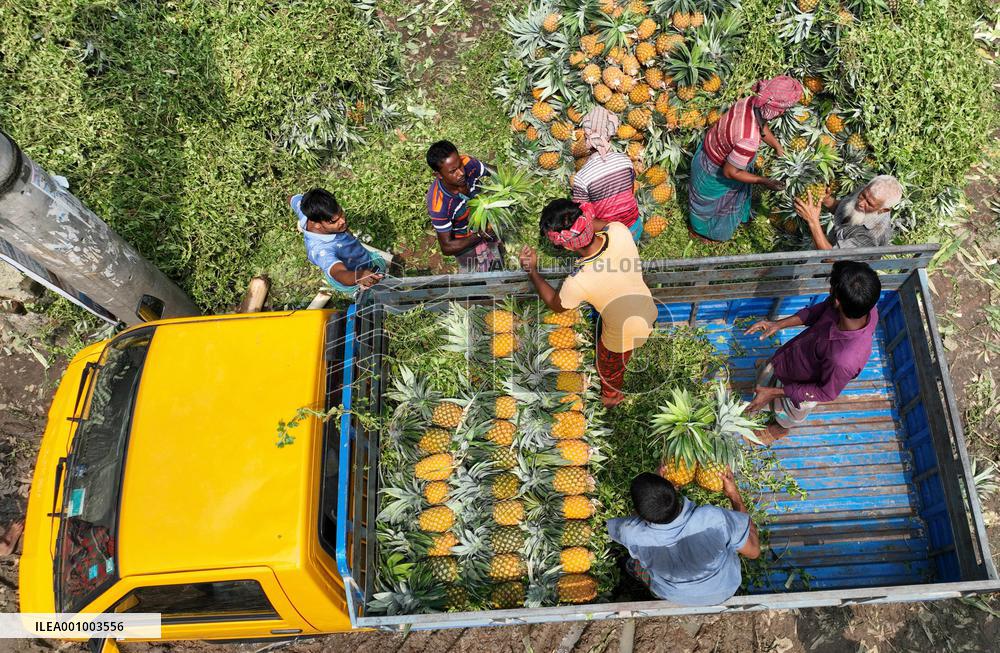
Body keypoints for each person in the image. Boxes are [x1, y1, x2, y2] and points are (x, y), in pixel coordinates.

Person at [518, 199, 657, 408]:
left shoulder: (578, 281)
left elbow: (556, 305)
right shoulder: (619, 232)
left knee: (610, 368)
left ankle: (611, 397)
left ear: (565, 245)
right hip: (647, 308)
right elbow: (603, 224)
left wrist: (533, 271)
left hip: (624, 333)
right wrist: (586, 222)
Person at [745, 260, 881, 443]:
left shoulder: (844, 360)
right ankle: (771, 384)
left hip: (803, 386)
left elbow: (826, 392)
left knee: (788, 413)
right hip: (795, 356)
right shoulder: (859, 306)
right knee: (770, 373)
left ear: (837, 300)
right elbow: (816, 312)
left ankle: (779, 430)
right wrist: (777, 324)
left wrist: (775, 393)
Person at [608, 471, 760, 606]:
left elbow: (614, 527)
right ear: (675, 489)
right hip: (724, 590)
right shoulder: (713, 519)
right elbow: (754, 552)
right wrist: (733, 494)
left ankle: (636, 572)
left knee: (636, 564)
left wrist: (652, 501)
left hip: (674, 595)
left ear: (637, 514)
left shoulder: (630, 532)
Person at [688, 75, 803, 243]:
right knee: (705, 208)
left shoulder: (751, 101)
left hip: (710, 150)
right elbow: (730, 172)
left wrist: (777, 146)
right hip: (715, 171)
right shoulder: (748, 140)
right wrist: (763, 181)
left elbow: (761, 124)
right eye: (782, 110)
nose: (783, 113)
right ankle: (701, 231)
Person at [425, 140, 504, 273]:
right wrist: (479, 235)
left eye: (460, 165)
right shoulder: (439, 204)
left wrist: (507, 183)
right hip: (464, 242)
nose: (461, 173)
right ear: (438, 175)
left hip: (486, 225)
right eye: (453, 171)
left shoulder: (467, 163)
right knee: (471, 270)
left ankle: (497, 275)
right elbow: (447, 247)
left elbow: (493, 171)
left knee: (495, 258)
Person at [290, 188, 385, 293]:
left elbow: (293, 199)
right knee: (372, 292)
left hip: (360, 257)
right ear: (316, 224)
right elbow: (339, 273)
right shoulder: (320, 250)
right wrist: (359, 276)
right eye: (334, 221)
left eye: (341, 213)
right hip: (352, 277)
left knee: (377, 269)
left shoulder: (306, 209)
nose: (343, 221)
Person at [571, 106, 643, 242]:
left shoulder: (582, 177)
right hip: (635, 229)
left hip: (608, 237)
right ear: (612, 133)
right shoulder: (625, 161)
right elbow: (630, 190)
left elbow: (583, 214)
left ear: (587, 137)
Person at [794, 175, 904, 250]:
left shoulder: (870, 238)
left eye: (869, 204)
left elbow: (830, 258)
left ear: (883, 210)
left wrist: (813, 221)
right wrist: (827, 200)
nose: (861, 203)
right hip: (834, 242)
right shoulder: (867, 192)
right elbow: (843, 208)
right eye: (863, 195)